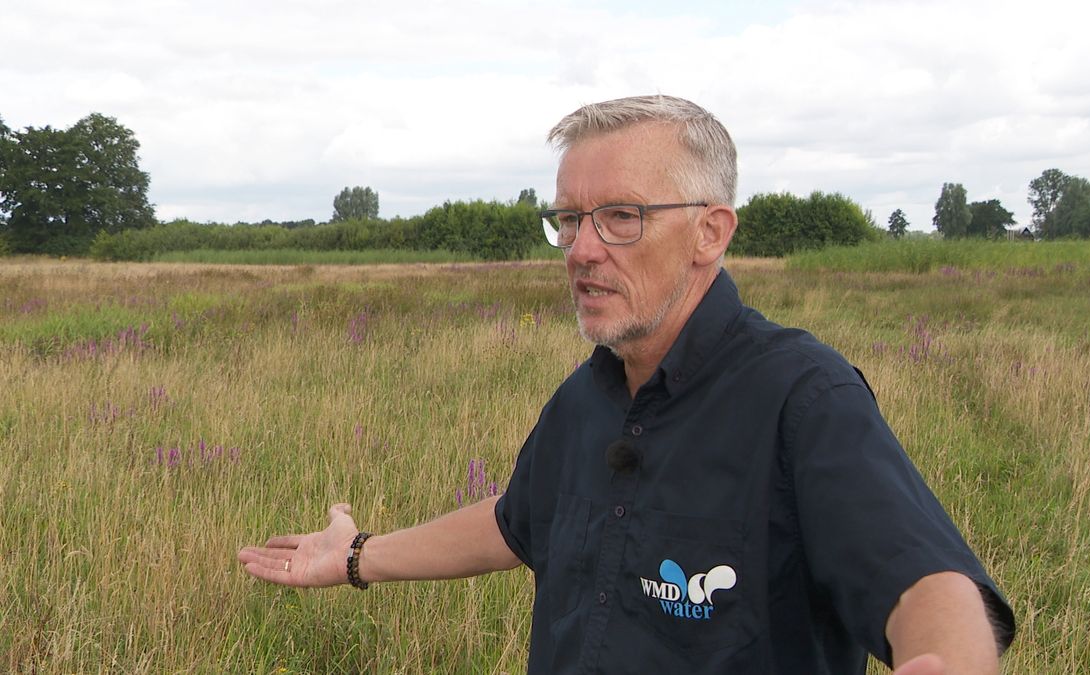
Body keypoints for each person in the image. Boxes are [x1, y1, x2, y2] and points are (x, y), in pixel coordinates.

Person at [239, 95, 1015, 673]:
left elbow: (923, 579)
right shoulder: (585, 398)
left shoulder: (802, 397)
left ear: (710, 232)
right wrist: (352, 556)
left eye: (620, 217)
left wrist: (948, 659)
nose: (581, 249)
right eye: (568, 219)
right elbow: (518, 520)